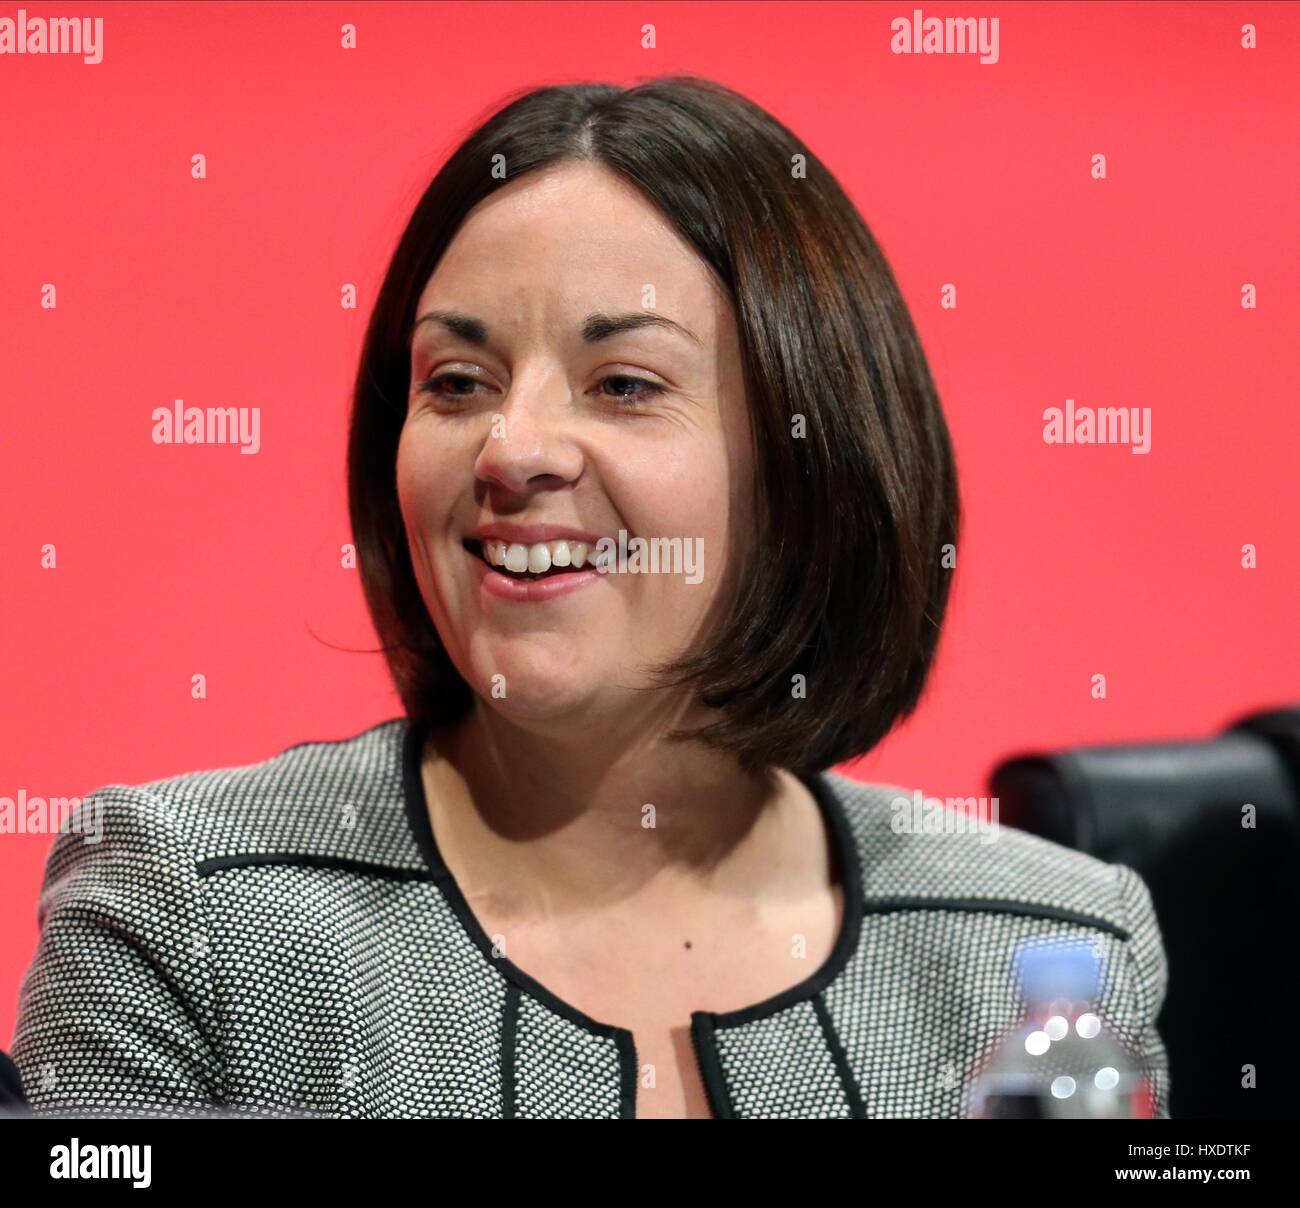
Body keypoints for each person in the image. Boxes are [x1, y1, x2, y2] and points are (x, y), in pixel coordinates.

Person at [9, 76, 1170, 1119]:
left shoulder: (1049, 941)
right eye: (456, 382)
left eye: (623, 384)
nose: (511, 450)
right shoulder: (189, 908)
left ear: (810, 454)